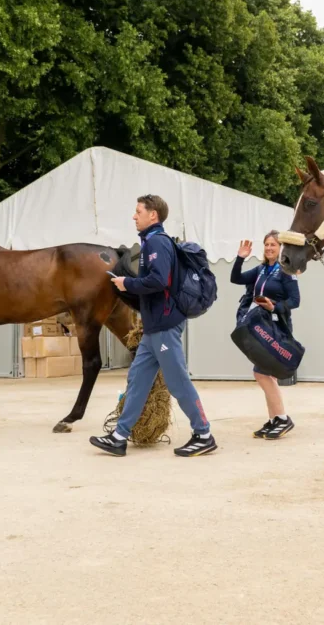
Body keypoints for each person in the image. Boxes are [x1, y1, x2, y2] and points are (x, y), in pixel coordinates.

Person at [89, 194, 217, 457]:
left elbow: (159, 280)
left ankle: (203, 433)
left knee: (177, 382)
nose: (134, 216)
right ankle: (119, 436)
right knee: (138, 380)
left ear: (153, 215)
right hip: (154, 328)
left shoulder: (157, 241)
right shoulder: (151, 241)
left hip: (164, 326)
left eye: (138, 212)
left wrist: (127, 283)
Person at [232, 231, 301, 439]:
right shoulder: (261, 269)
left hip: (277, 327)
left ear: (281, 248)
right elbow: (236, 278)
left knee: (261, 373)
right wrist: (240, 258)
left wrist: (274, 306)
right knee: (266, 374)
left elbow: (295, 301)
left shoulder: (287, 271)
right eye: (267, 244)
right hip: (262, 326)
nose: (269, 248)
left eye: (273, 244)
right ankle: (274, 420)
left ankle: (282, 418)